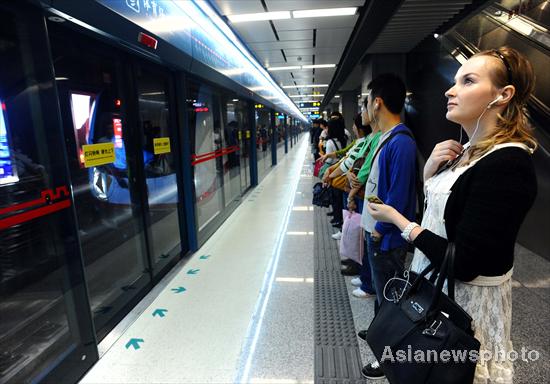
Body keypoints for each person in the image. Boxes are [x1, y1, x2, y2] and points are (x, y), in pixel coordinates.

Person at [366, 47, 538, 383]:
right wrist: (430, 172)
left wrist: (400, 222)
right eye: (455, 80)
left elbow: (465, 263)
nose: (450, 89)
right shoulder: (467, 152)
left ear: (502, 95)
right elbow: (446, 218)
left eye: (468, 81)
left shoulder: (509, 164)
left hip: (464, 305)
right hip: (438, 288)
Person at [359, 73, 417, 379]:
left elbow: (397, 196)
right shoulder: (388, 138)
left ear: (377, 102)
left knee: (389, 300)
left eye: (366, 101)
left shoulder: (401, 142)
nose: (365, 108)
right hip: (378, 236)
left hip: (386, 240)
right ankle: (377, 335)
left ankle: (387, 358)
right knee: (383, 297)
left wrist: (379, 233)